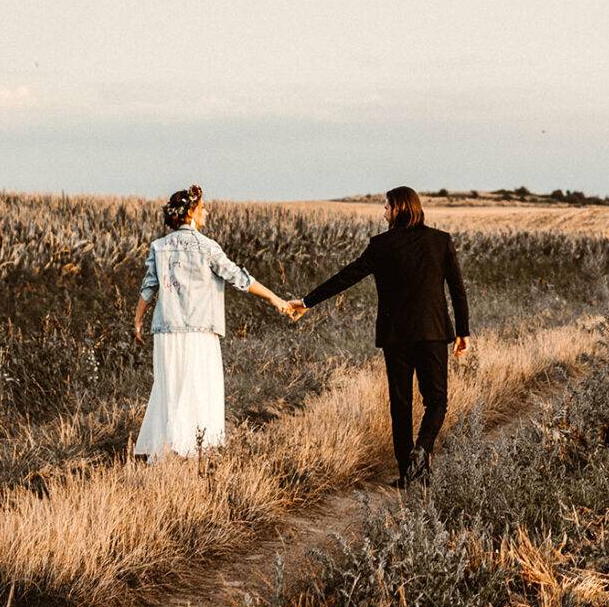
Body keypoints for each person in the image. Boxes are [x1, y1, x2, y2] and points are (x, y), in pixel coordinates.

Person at [299, 186, 469, 485]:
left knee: (400, 404)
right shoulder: (440, 241)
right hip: (433, 332)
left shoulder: (381, 245)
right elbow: (457, 289)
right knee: (437, 401)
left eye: (386, 206)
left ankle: (407, 473)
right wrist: (463, 330)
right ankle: (422, 453)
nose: (384, 212)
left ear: (400, 208)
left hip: (396, 337)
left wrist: (307, 302)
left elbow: (347, 276)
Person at [132, 185, 303, 460]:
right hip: (200, 331)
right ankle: (190, 449)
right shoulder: (207, 247)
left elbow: (149, 287)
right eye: (202, 208)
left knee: (170, 387)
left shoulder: (159, 246)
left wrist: (138, 321)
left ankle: (169, 448)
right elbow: (240, 279)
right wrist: (276, 299)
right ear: (191, 212)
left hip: (166, 330)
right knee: (198, 387)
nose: (206, 212)